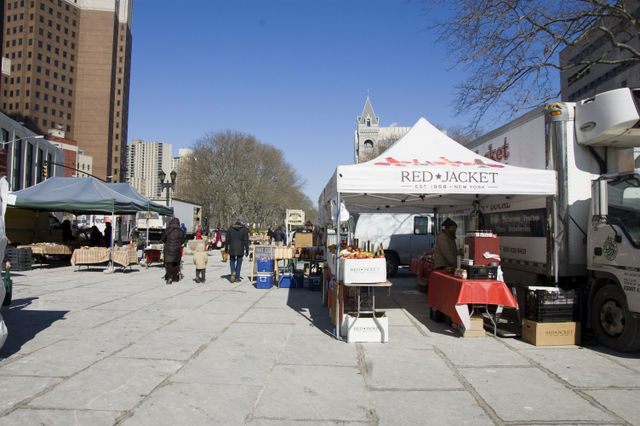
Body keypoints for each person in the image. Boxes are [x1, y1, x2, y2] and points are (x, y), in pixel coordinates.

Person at [225, 216, 249, 283]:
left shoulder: (231, 228)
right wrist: (247, 250)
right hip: (240, 248)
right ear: (241, 221)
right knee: (239, 262)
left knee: (232, 261)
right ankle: (237, 277)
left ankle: (233, 271)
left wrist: (226, 247)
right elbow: (246, 240)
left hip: (232, 247)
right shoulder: (244, 229)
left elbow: (227, 238)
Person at [161, 217, 184, 285]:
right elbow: (182, 241)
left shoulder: (167, 230)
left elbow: (162, 239)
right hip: (177, 249)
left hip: (168, 248)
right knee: (176, 263)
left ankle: (168, 277)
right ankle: (175, 278)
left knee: (169, 263)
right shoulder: (180, 231)